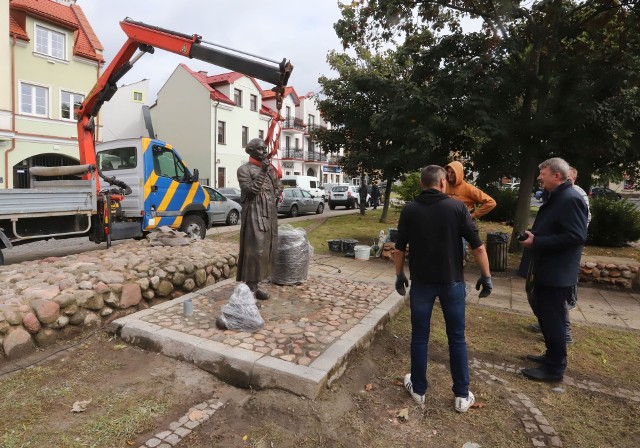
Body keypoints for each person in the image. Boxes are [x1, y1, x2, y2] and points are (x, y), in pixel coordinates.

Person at [394, 165, 493, 412]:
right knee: (457, 338)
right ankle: (461, 396)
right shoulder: (457, 208)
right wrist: (486, 275)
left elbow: (399, 248)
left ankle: (418, 389)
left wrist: (399, 274)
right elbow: (478, 247)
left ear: (422, 184)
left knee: (419, 336)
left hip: (422, 284)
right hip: (452, 283)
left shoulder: (410, 209)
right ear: (441, 183)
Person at [519, 157, 588, 382]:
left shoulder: (570, 198)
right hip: (548, 268)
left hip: (557, 272)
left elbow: (577, 236)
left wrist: (537, 242)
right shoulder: (558, 197)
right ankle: (551, 357)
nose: (539, 177)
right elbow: (557, 229)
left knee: (554, 319)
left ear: (557, 175)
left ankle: (554, 369)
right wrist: (535, 235)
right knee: (548, 319)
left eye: (543, 173)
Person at [236, 138, 282, 301]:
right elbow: (250, 191)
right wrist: (263, 171)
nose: (264, 152)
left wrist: (276, 193)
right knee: (254, 251)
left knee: (267, 249)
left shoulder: (268, 169)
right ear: (251, 150)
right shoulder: (244, 169)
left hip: (269, 211)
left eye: (265, 149)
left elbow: (278, 185)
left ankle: (255, 286)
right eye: (261, 149)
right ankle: (249, 287)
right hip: (254, 213)